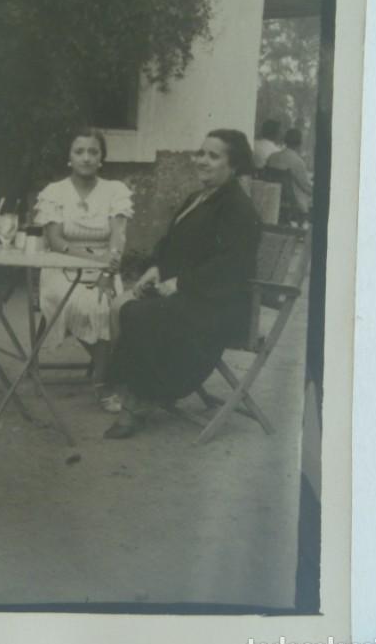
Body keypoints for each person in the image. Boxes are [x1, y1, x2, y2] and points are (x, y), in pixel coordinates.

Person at [104, 129, 260, 439]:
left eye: (213, 156)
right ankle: (134, 389)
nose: (202, 161)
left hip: (218, 305)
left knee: (139, 314)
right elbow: (171, 242)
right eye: (201, 153)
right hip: (193, 295)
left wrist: (182, 283)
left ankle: (138, 401)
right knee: (123, 304)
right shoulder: (198, 198)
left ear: (233, 165)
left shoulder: (238, 208)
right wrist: (156, 268)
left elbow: (232, 266)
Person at [34, 128, 133, 403]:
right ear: (69, 157)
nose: (86, 158)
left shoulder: (115, 190)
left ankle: (104, 374)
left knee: (109, 304)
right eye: (79, 151)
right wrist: (93, 260)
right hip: (61, 267)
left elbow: (118, 236)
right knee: (92, 305)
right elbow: (55, 240)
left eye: (93, 152)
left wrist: (108, 269)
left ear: (101, 158)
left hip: (106, 266)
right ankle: (106, 380)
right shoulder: (54, 192)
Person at [266, 127, 313, 220]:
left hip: (274, 200)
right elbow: (307, 188)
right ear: (300, 143)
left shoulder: (272, 157)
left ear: (285, 140)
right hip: (294, 204)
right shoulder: (298, 161)